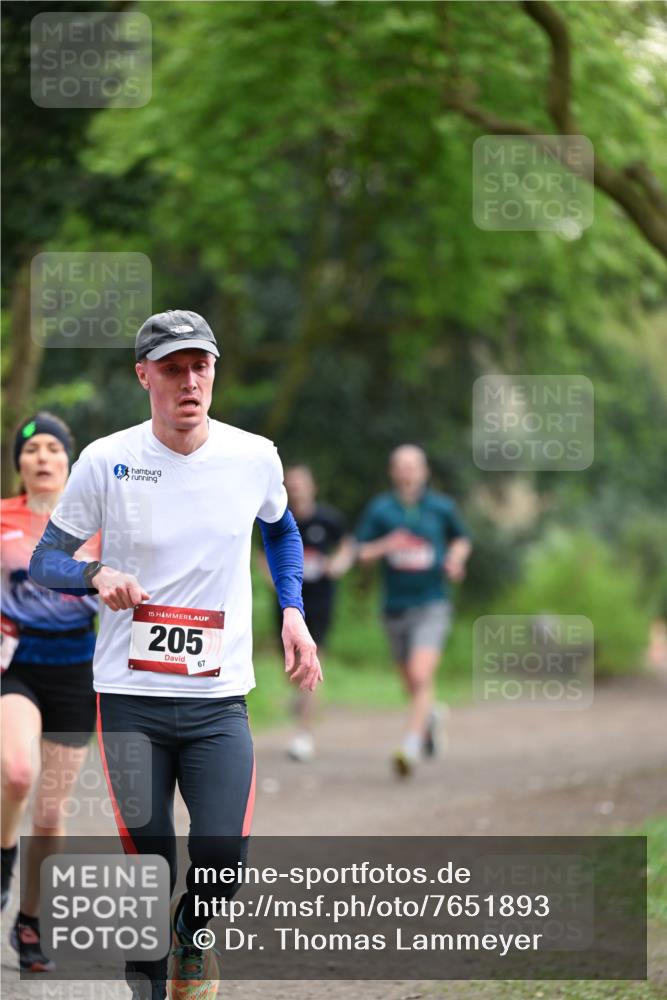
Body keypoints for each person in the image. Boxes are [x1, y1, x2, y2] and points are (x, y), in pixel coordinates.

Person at [30, 310, 322, 1000]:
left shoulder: (254, 456)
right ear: (144, 376)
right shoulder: (106, 460)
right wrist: (95, 575)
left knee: (221, 860)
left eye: (201, 366)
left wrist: (291, 610)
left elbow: (281, 534)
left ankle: (193, 940)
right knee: (148, 866)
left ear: (214, 371)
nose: (190, 382)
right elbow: (47, 560)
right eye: (172, 368)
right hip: (130, 696)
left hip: (218, 698)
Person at [1, 413, 99, 972]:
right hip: (15, 663)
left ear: (69, 461)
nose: (42, 457)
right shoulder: (2, 518)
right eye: (31, 448)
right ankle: (2, 856)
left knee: (52, 809)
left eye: (52, 449)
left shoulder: (96, 524)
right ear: (19, 463)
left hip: (75, 667)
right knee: (16, 772)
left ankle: (31, 921)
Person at [355, 444, 471, 779]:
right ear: (393, 472)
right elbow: (360, 551)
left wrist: (455, 560)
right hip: (394, 607)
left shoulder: (440, 507)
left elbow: (462, 539)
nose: (406, 471)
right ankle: (431, 716)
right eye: (400, 466)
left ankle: (410, 745)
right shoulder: (381, 509)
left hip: (432, 603)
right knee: (411, 683)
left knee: (421, 676)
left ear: (424, 471)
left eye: (413, 466)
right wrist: (386, 545)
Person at [270, 465, 354, 762]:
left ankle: (303, 735)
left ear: (312, 487)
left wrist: (339, 564)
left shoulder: (328, 520)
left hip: (318, 603)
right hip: (284, 605)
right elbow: (259, 554)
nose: (296, 490)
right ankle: (303, 703)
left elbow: (347, 546)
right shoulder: (276, 517)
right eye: (290, 485)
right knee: (290, 668)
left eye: (301, 484)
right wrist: (272, 576)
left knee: (308, 661)